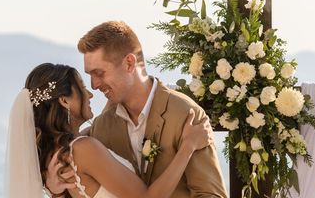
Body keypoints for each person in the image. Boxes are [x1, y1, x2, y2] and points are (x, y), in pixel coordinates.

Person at [47, 21, 228, 198]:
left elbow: (211, 194)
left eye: (100, 73)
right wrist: (56, 190)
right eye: (90, 75)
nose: (94, 85)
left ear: (129, 63)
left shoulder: (185, 114)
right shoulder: (102, 126)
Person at [5, 62, 214, 198]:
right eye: (81, 87)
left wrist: (120, 88)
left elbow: (98, 123)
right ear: (64, 100)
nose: (90, 94)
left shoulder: (54, 157)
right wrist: (188, 147)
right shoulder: (84, 149)